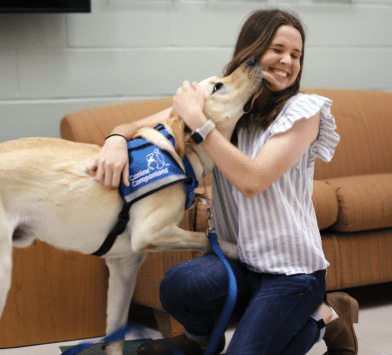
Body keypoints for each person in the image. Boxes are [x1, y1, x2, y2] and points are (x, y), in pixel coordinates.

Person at [87, 8, 359, 355]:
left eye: (296, 55)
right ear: (252, 49)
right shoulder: (222, 104)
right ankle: (199, 342)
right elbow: (130, 128)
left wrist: (199, 121)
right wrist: (114, 141)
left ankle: (326, 315)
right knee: (178, 286)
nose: (287, 61)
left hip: (292, 273)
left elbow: (252, 179)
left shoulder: (304, 111)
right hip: (239, 261)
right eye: (277, 49)